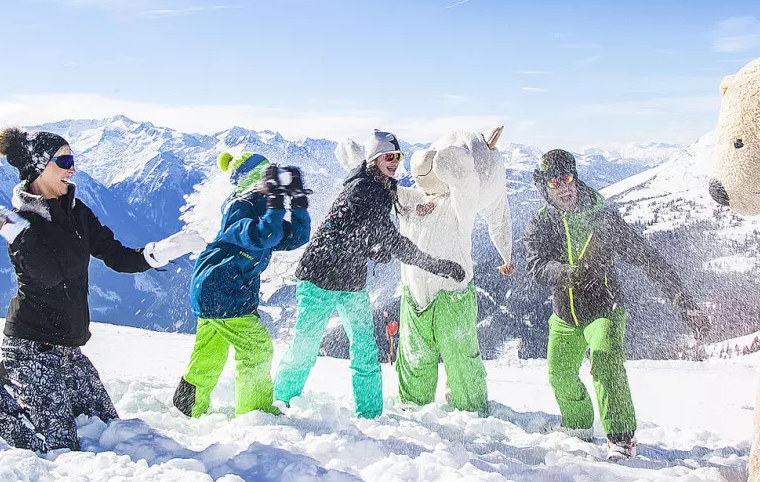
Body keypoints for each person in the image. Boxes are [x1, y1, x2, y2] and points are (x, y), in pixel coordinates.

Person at [0, 127, 205, 451]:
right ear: (39, 167)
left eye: (72, 159)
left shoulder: (76, 212)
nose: (73, 168)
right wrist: (11, 229)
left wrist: (159, 252)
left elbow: (115, 254)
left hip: (68, 349)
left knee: (108, 427)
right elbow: (48, 275)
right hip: (29, 349)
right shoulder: (23, 224)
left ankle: (13, 389)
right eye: (64, 160)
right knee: (55, 444)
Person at [273, 130, 466, 418]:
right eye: (389, 156)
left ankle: (371, 413)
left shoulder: (381, 185)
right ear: (374, 159)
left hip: (351, 280)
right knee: (306, 344)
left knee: (364, 348)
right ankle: (280, 402)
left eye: (397, 156)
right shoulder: (364, 188)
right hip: (320, 277)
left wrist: (380, 239)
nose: (394, 161)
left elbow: (370, 229)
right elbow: (389, 239)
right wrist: (438, 265)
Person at [523, 149, 704, 451]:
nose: (565, 187)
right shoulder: (541, 223)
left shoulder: (601, 218)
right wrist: (569, 274)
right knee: (560, 376)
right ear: (545, 187)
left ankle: (621, 438)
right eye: (556, 182)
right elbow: (536, 266)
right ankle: (578, 426)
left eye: (568, 178)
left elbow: (647, 257)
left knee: (606, 361)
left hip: (604, 309)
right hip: (565, 316)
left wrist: (682, 300)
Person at [172, 151, 312, 418]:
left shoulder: (261, 207)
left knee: (209, 352)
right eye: (265, 176)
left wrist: (298, 200)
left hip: (215, 289)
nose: (271, 181)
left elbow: (297, 237)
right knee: (257, 349)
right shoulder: (238, 208)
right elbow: (265, 235)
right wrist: (275, 199)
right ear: (250, 182)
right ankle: (255, 414)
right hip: (222, 289)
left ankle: (186, 406)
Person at [394, 129, 515, 414]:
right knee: (414, 355)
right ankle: (411, 405)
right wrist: (361, 171)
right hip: (415, 296)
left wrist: (454, 167)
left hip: (453, 294)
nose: (424, 186)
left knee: (460, 355)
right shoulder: (413, 201)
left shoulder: (460, 204)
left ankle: (470, 407)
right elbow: (386, 192)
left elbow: (468, 188)